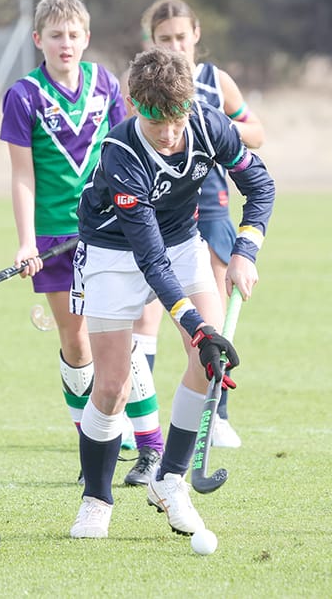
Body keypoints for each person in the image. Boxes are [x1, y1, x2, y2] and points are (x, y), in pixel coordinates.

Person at [68, 46, 275, 538]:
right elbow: (149, 261)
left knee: (209, 361)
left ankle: (170, 481)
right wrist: (195, 325)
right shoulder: (121, 154)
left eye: (176, 119)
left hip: (183, 239)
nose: (169, 133)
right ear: (136, 106)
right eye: (156, 121)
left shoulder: (207, 125)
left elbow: (261, 185)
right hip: (114, 250)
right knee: (114, 384)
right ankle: (97, 498)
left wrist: (246, 249)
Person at [0, 0, 165, 486]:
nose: (65, 43)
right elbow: (22, 177)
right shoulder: (23, 96)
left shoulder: (106, 83)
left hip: (109, 229)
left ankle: (152, 449)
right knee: (76, 342)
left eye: (73, 35)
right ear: (38, 40)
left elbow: (126, 152)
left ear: (86, 38)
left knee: (122, 338)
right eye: (55, 35)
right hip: (52, 235)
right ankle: (90, 441)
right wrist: (27, 241)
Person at [128, 0, 266, 448]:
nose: (173, 46)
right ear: (152, 40)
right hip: (158, 205)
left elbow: (257, 133)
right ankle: (139, 417)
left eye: (180, 38)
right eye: (164, 38)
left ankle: (216, 415)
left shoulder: (213, 81)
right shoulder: (149, 84)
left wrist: (210, 124)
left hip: (210, 202)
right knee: (148, 311)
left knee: (215, 306)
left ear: (196, 35)